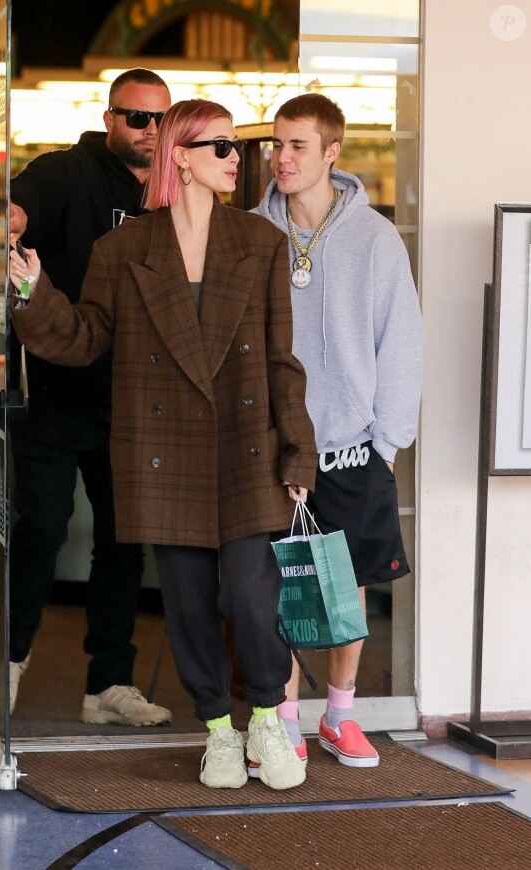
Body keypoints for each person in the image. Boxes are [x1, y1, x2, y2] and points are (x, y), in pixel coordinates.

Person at [8, 98, 319, 790]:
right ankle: (217, 729)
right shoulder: (122, 250)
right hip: (164, 451)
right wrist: (34, 291)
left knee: (249, 594)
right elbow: (86, 337)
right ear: (181, 156)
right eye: (221, 149)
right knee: (185, 603)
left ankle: (266, 717)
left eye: (238, 148)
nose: (237, 159)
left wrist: (298, 453)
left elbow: (280, 361)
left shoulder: (260, 242)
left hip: (247, 447)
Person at [0, 68, 173, 727]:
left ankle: (108, 685)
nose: (149, 131)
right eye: (136, 118)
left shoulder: (173, 191)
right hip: (57, 389)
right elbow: (20, 203)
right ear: (110, 117)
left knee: (123, 541)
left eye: (159, 120)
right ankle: (7, 659)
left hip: (131, 398)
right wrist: (8, 219)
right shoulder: (69, 171)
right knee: (41, 527)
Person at [253, 93, 423, 772]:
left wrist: (388, 445)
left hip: (353, 445)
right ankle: (283, 720)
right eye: (277, 144)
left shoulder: (376, 237)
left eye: (298, 145)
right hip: (271, 445)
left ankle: (342, 714)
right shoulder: (253, 231)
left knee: (346, 583)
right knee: (275, 584)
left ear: (332, 152)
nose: (282, 157)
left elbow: (402, 342)